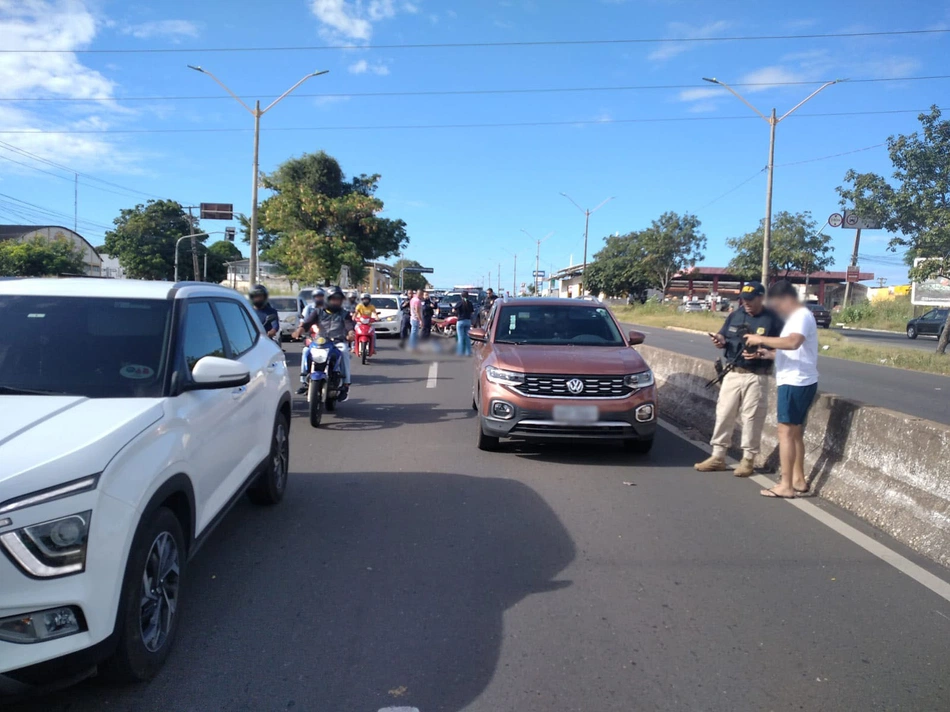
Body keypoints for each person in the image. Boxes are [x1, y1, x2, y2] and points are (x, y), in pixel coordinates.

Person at [694, 281, 784, 477]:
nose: (747, 303)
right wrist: (720, 340)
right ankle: (718, 456)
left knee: (752, 418)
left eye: (751, 300)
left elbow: (785, 348)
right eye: (744, 299)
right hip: (733, 372)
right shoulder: (736, 314)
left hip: (756, 375)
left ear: (762, 298)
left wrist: (763, 353)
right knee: (724, 414)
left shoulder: (773, 320)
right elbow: (725, 335)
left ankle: (748, 460)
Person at [744, 280, 820, 499]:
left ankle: (785, 485)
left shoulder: (801, 316)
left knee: (785, 432)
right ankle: (798, 479)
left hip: (795, 381)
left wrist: (760, 338)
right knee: (795, 433)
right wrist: (765, 353)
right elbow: (794, 351)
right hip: (798, 379)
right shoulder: (797, 318)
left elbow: (793, 343)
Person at [292, 287, 355, 401]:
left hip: (337, 342)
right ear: (327, 299)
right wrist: (299, 331)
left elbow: (349, 325)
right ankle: (304, 382)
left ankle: (345, 385)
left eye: (338, 299)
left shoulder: (345, 314)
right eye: (333, 299)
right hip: (320, 341)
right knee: (306, 350)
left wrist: (351, 334)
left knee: (344, 351)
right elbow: (307, 323)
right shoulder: (318, 312)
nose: (336, 302)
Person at [453, 289, 475, 356]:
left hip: (460, 321)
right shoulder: (470, 303)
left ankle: (460, 353)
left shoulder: (459, 303)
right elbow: (472, 312)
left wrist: (457, 312)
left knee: (460, 338)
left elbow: (454, 310)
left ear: (461, 296)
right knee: (467, 338)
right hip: (468, 321)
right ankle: (468, 352)